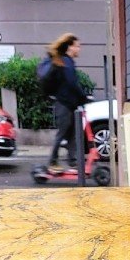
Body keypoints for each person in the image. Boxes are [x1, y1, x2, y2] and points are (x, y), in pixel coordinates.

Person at [46, 33, 88, 175]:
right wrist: (83, 97)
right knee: (63, 133)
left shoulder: (66, 62)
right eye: (77, 46)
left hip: (69, 104)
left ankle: (73, 161)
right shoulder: (66, 62)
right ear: (70, 47)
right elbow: (72, 83)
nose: (79, 49)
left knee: (72, 134)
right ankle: (52, 161)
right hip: (64, 105)